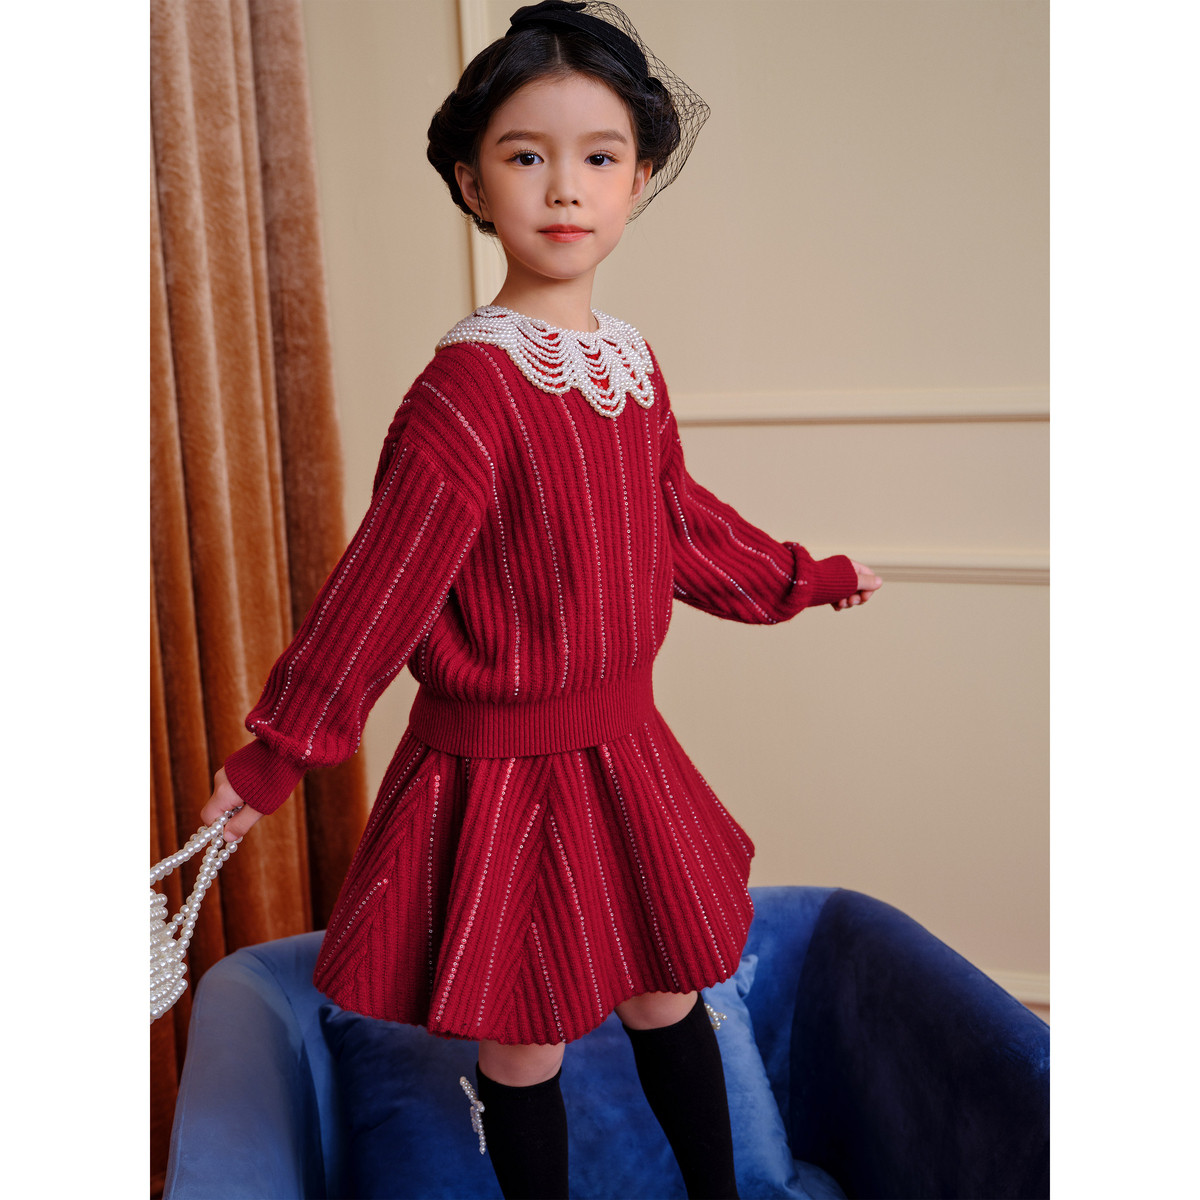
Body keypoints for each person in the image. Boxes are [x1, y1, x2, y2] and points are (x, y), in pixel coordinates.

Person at [203, 3, 882, 1197]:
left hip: (622, 751)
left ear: (639, 179)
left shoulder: (629, 362)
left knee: (668, 991)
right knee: (526, 1042)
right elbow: (379, 591)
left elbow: (678, 523)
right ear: (472, 182)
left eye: (599, 157)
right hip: (499, 779)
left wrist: (803, 579)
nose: (566, 188)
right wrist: (276, 752)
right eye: (526, 156)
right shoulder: (464, 393)